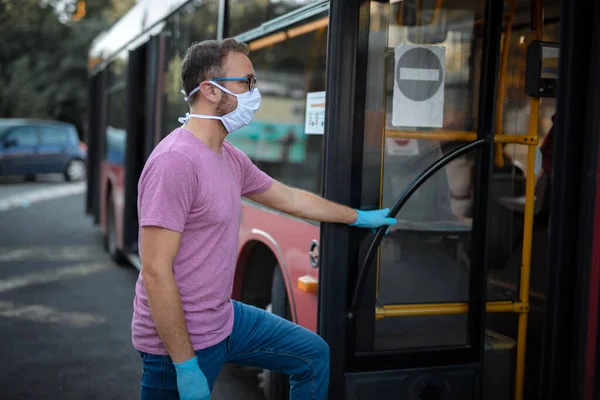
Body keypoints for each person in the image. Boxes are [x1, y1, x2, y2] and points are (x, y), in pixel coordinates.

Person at [133, 38, 397, 400]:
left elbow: (290, 198)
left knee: (312, 355)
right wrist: (184, 365)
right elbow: (155, 271)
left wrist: (357, 217)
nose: (255, 93)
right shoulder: (174, 162)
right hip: (176, 346)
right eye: (247, 82)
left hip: (222, 321)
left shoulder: (229, 157)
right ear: (209, 91)